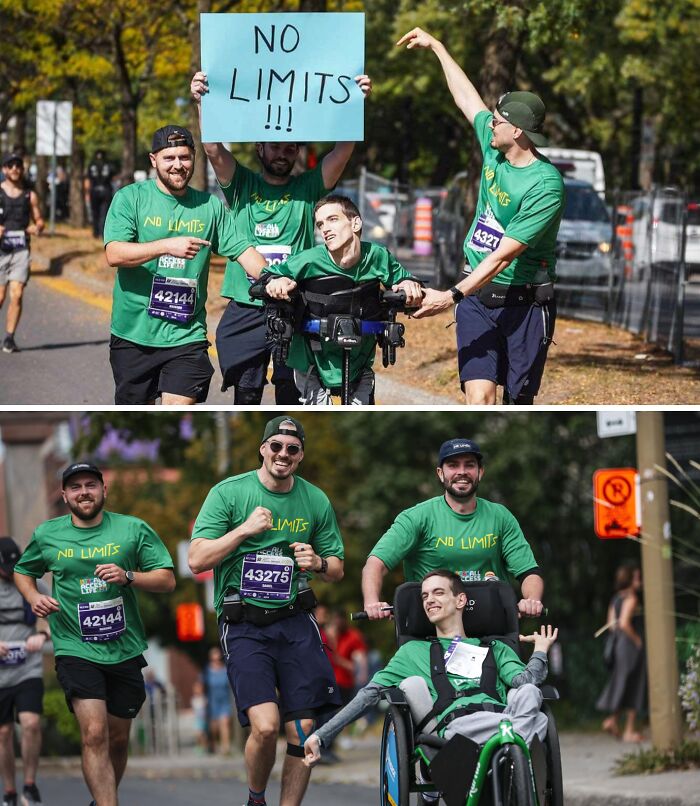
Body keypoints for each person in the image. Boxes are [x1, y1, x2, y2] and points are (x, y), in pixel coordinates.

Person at [397, 28, 564, 406]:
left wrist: (451, 296)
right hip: (477, 300)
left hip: (524, 303)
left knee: (518, 402)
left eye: (498, 119)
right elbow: (465, 98)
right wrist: (437, 46)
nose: (489, 122)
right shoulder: (494, 150)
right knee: (480, 397)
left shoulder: (545, 185)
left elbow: (504, 255)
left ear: (517, 130)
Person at [190, 71, 372, 405]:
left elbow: (341, 152)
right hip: (247, 302)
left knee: (292, 391)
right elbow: (213, 149)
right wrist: (204, 102)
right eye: (275, 146)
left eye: (290, 147)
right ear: (259, 147)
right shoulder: (242, 183)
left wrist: (353, 104)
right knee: (246, 390)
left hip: (293, 304)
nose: (283, 153)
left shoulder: (307, 187)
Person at [189, 416, 344, 806]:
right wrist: (243, 530)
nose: (283, 454)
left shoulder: (316, 499)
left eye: (292, 449)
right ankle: (256, 798)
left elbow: (338, 567)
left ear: (300, 455)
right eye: (276, 446)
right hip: (245, 624)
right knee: (265, 726)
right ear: (263, 448)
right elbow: (196, 560)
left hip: (295, 620)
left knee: (304, 728)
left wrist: (319, 563)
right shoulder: (229, 493)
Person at [13, 461, 176, 806]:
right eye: (75, 487)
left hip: (124, 647)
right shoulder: (48, 534)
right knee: (94, 734)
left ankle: (102, 799)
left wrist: (129, 576)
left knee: (117, 739)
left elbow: (166, 579)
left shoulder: (133, 529)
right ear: (64, 495)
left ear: (104, 490)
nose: (83, 492)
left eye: (90, 485)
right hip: (75, 646)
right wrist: (34, 597)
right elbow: (23, 572)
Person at [304, 570, 558, 769]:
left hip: (505, 719)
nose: (429, 600)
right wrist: (322, 736)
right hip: (460, 728)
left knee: (530, 695)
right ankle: (515, 753)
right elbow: (367, 694)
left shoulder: (496, 648)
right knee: (537, 723)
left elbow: (527, 681)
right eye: (425, 596)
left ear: (460, 600)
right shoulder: (413, 652)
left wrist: (540, 650)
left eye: (438, 593)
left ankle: (511, 753)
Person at [103, 124, 266, 405]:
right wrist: (167, 245)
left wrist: (273, 279)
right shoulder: (130, 198)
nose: (178, 166)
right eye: (169, 158)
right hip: (133, 335)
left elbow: (243, 249)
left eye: (185, 157)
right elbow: (114, 253)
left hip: (186, 335)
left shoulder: (209, 206)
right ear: (153, 160)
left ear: (193, 158)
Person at [261, 194, 423, 404]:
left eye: (332, 219)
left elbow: (404, 279)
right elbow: (269, 275)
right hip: (312, 355)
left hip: (360, 356)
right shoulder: (309, 259)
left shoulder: (377, 256)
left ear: (355, 223)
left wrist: (409, 283)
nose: (325, 228)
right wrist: (277, 281)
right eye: (320, 224)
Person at [362, 438, 544, 620]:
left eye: (469, 465)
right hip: (430, 630)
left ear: (480, 472)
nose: (462, 472)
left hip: (492, 626)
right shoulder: (416, 517)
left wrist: (532, 600)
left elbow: (529, 572)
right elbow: (375, 564)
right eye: (453, 465)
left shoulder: (500, 516)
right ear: (440, 473)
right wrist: (372, 602)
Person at [0, 537, 50, 806]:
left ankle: (29, 785)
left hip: (27, 668)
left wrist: (42, 636)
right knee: (4, 733)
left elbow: (56, 619)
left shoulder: (30, 583)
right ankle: (9, 791)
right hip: (0, 674)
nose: (10, 573)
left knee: (30, 723)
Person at [0, 153, 45, 354]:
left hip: (21, 250)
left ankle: (9, 338)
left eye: (18, 166)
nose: (15, 169)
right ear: (4, 170)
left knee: (16, 295)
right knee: (0, 297)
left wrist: (38, 227)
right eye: (11, 166)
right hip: (1, 251)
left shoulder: (30, 195)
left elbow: (39, 220)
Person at [596, 563, 646, 742]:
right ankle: (629, 730)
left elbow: (612, 625)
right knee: (634, 684)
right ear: (631, 579)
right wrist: (637, 641)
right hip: (629, 645)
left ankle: (613, 720)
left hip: (618, 645)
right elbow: (624, 623)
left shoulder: (616, 599)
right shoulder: (632, 598)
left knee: (622, 682)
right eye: (637, 577)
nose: (639, 581)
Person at [202, 646, 232, 755]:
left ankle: (226, 748)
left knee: (224, 723)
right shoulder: (207, 671)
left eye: (218, 654)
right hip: (212, 701)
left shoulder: (225, 669)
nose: (216, 657)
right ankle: (214, 743)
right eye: (214, 655)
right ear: (211, 657)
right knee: (214, 727)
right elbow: (201, 685)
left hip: (224, 700)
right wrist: (202, 698)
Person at [84, 150, 116, 238]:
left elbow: (87, 179)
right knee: (104, 213)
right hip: (106, 190)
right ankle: (102, 233)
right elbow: (113, 178)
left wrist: (87, 193)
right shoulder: (109, 165)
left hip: (94, 190)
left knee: (95, 213)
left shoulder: (91, 165)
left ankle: (95, 232)